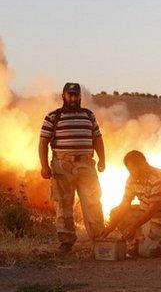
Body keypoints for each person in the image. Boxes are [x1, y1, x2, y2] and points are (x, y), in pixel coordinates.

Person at [38, 82, 105, 253]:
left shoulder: (89, 116)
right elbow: (43, 142)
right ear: (64, 96)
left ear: (80, 96)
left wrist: (102, 159)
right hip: (63, 166)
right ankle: (66, 241)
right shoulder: (53, 116)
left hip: (86, 164)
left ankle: (99, 238)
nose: (73, 98)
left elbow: (97, 138)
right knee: (63, 203)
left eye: (76, 95)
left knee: (92, 201)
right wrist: (44, 166)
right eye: (70, 95)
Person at [99, 150, 161, 258]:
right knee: (115, 213)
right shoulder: (132, 179)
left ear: (144, 163)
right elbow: (125, 204)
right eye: (130, 170)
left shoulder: (159, 179)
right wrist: (110, 226)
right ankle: (137, 241)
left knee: (146, 251)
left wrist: (133, 226)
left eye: (136, 168)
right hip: (145, 212)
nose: (133, 173)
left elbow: (152, 210)